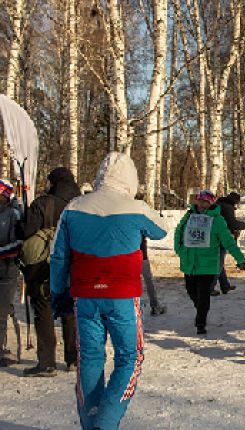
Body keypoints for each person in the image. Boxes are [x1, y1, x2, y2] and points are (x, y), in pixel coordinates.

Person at [50, 152, 167, 430]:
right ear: (130, 178)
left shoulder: (74, 208)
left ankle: (91, 420)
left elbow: (58, 256)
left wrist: (58, 293)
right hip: (123, 297)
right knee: (130, 358)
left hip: (85, 296)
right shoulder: (136, 208)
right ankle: (105, 422)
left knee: (90, 358)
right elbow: (161, 230)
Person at [17, 167, 81, 376]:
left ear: (53, 183)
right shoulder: (81, 205)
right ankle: (73, 359)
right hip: (73, 264)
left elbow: (26, 231)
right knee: (70, 310)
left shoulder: (43, 203)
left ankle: (47, 363)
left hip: (43, 265)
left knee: (43, 309)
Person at [175, 190, 245, 335]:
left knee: (203, 295)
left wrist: (240, 259)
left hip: (208, 264)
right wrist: (180, 250)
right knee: (191, 291)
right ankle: (201, 310)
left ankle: (200, 323)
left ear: (210, 203)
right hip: (190, 263)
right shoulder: (189, 216)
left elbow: (228, 241)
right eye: (199, 201)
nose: (201, 204)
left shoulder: (217, 220)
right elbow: (179, 232)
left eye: (205, 202)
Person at [0, 180, 21, 367]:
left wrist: (2, 252)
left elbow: (17, 243)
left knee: (2, 310)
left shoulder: (14, 214)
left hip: (8, 269)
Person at [210, 192, 245, 296]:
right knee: (218, 264)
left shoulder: (218, 204)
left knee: (219, 263)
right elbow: (231, 223)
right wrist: (244, 225)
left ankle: (225, 286)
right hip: (221, 237)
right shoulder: (228, 207)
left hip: (214, 236)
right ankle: (209, 288)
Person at [140, 237, 165, 315]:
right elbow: (156, 234)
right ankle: (155, 306)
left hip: (126, 257)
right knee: (148, 281)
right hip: (141, 256)